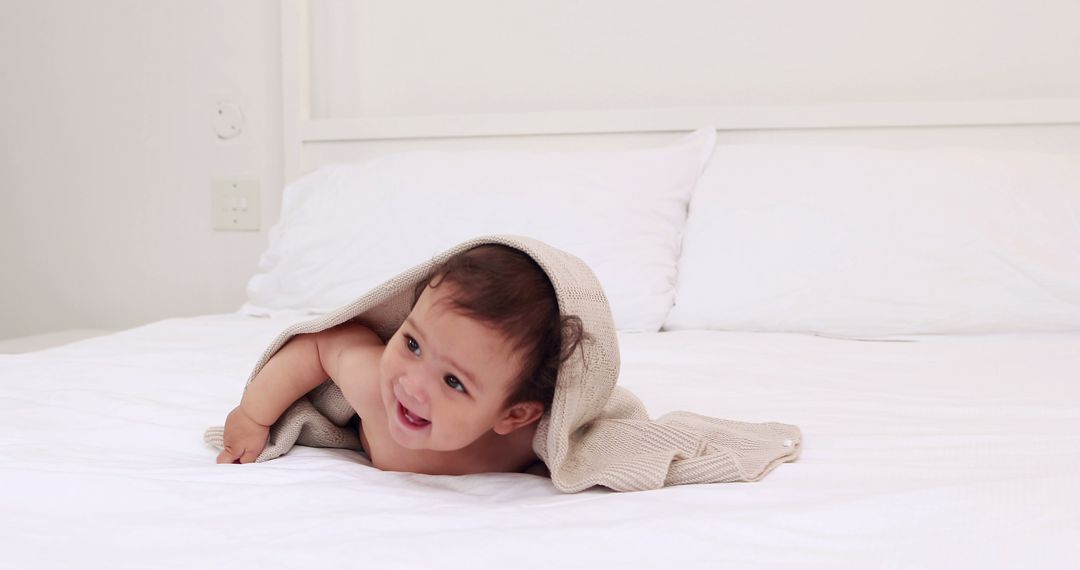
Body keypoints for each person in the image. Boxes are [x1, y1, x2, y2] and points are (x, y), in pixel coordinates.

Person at [216, 244, 585, 475]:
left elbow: (598, 431)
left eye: (453, 381)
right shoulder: (374, 385)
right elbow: (321, 345)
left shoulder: (526, 441)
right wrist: (253, 415)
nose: (411, 385)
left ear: (512, 415)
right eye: (412, 344)